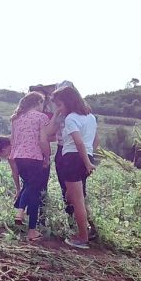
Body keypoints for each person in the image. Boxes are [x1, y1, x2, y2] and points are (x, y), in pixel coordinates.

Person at [43, 81, 98, 239]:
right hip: (85, 155)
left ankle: (82, 235)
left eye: (59, 105)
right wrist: (88, 159)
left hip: (72, 157)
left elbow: (78, 141)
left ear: (68, 101)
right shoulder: (90, 117)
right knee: (74, 195)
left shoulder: (70, 118)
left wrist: (86, 162)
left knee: (76, 198)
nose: (58, 109)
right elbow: (93, 140)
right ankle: (86, 229)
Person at [9, 92, 51, 241]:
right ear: (38, 102)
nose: (43, 106)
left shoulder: (16, 118)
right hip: (35, 158)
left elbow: (13, 140)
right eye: (43, 103)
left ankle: (30, 228)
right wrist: (47, 156)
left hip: (19, 157)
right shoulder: (42, 117)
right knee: (34, 191)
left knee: (29, 187)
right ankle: (23, 215)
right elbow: (43, 141)